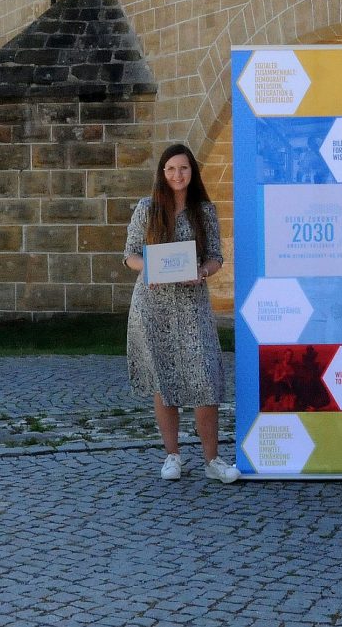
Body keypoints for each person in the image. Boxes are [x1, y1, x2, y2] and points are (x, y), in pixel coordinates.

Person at [123, 143, 240, 484]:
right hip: (153, 305)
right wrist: (151, 270)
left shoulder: (204, 211)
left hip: (193, 305)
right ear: (162, 173)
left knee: (205, 378)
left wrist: (202, 271)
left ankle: (212, 459)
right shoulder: (147, 209)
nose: (178, 174)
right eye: (171, 169)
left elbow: (216, 256)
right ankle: (172, 455)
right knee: (165, 379)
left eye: (184, 168)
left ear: (192, 173)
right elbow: (129, 254)